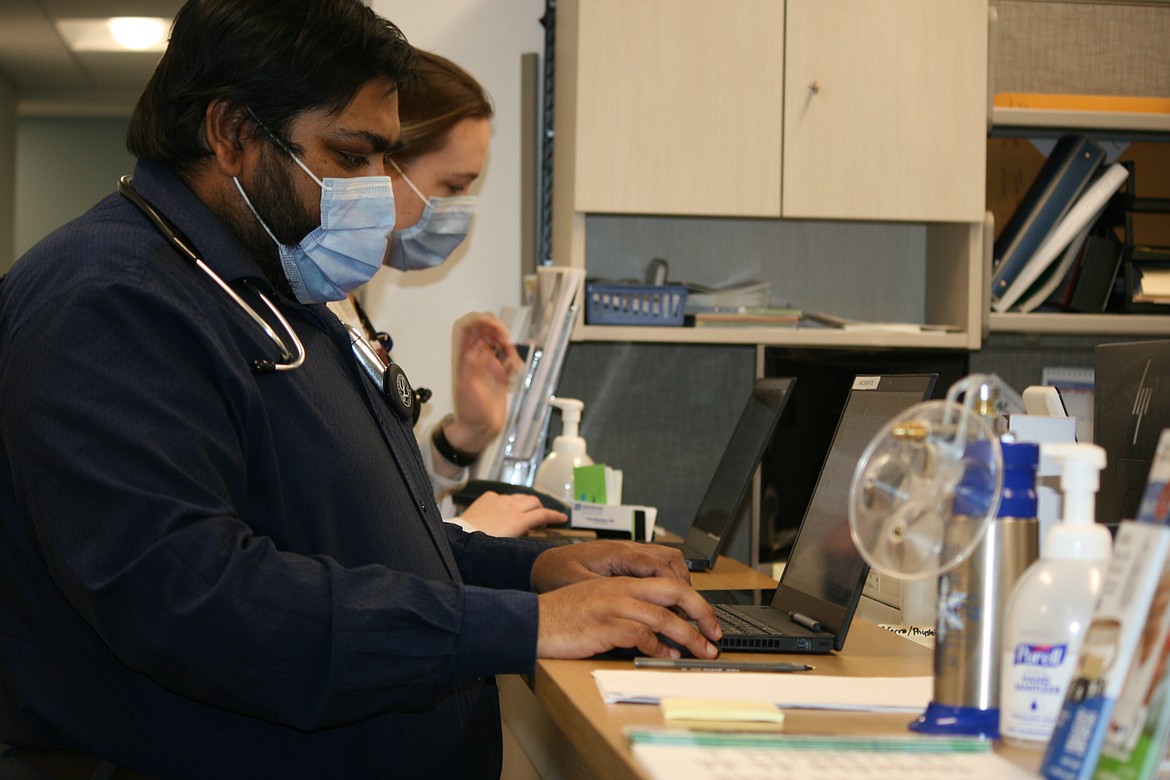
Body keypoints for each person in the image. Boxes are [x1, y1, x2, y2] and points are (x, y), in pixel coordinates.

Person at [0, 1, 721, 778]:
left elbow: (346, 537)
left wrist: (532, 571)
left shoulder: (269, 287)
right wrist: (518, 626)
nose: (382, 193)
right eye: (351, 157)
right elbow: (195, 600)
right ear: (233, 133)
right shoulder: (111, 300)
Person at [330, 50, 561, 537]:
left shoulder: (347, 294)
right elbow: (348, 536)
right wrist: (469, 532)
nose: (457, 212)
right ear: (383, 164)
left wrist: (466, 434)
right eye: (452, 187)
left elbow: (383, 491)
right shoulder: (310, 297)